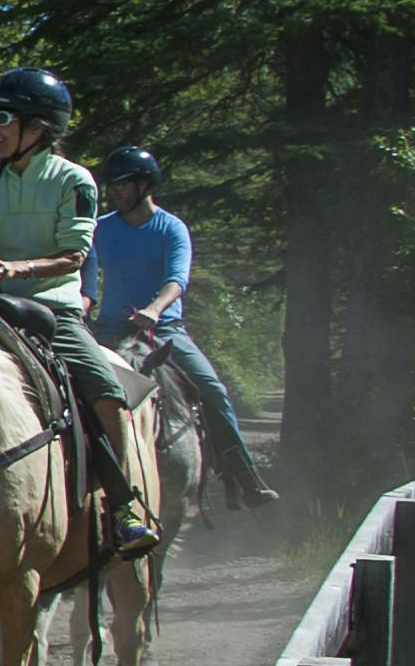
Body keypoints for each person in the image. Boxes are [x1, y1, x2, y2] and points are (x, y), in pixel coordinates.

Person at [0, 69, 161, 556]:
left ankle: (123, 507)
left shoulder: (75, 181)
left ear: (38, 127)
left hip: (55, 314)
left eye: (2, 117)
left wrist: (13, 268)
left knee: (107, 393)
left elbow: (75, 254)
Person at [86, 146, 278, 506]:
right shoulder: (100, 229)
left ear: (145, 185)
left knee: (212, 390)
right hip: (110, 330)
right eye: (111, 185)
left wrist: (155, 309)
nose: (114, 191)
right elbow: (84, 271)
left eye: (123, 184)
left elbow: (177, 279)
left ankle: (241, 473)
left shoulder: (171, 228)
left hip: (164, 331)